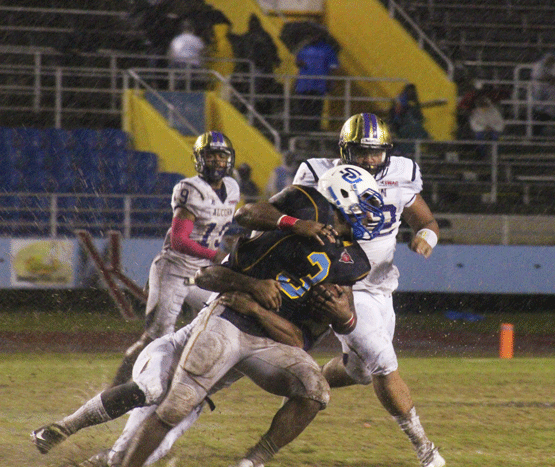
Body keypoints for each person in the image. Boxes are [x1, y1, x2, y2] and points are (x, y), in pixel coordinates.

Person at [45, 166, 383, 467]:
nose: (372, 216)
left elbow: (299, 340)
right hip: (204, 334)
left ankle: (254, 460)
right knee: (154, 391)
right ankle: (67, 426)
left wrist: (342, 318)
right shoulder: (288, 219)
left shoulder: (350, 266)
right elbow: (237, 231)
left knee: (315, 389)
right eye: (366, 204)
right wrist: (289, 231)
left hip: (251, 347)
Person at [287, 113, 445, 467]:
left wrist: (426, 237)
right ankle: (426, 450)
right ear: (344, 150)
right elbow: (294, 218)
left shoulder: (402, 172)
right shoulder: (318, 173)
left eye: (376, 153)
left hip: (381, 286)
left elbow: (426, 220)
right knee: (384, 363)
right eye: (361, 152)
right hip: (341, 286)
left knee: (360, 371)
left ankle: (306, 383)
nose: (369, 160)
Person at [109, 131, 239, 388]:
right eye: (210, 156)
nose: (216, 162)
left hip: (203, 273)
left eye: (221, 156)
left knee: (222, 322)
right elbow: (180, 240)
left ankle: (181, 386)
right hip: (175, 269)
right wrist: (218, 255)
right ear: (199, 159)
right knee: (156, 337)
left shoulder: (233, 188)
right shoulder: (190, 189)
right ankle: (114, 389)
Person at [227, 13, 282, 115]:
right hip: (265, 70)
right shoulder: (265, 36)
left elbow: (240, 44)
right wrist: (276, 61)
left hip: (251, 69)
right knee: (259, 92)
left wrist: (229, 34)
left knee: (250, 92)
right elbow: (273, 50)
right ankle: (260, 109)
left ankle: (247, 109)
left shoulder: (248, 36)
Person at [293, 33, 339, 132]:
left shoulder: (327, 50)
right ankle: (304, 131)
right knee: (303, 110)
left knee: (316, 110)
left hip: (318, 85)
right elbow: (297, 62)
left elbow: (332, 68)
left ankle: (313, 130)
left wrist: (330, 81)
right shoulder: (303, 49)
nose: (311, 37)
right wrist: (299, 63)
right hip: (303, 85)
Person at [388, 83, 430, 154]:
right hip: (401, 126)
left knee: (416, 131)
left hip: (408, 127)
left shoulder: (412, 104)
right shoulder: (401, 101)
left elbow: (419, 117)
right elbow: (396, 117)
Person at [167, 18, 207, 90]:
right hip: (193, 66)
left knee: (179, 79)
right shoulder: (196, 39)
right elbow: (202, 53)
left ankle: (176, 88)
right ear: (192, 29)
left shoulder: (176, 39)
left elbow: (171, 53)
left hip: (178, 64)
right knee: (193, 83)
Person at [530, 52, 555, 137]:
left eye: (552, 59)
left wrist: (549, 79)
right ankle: (536, 132)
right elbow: (538, 77)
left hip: (551, 92)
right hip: (539, 90)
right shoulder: (538, 65)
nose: (550, 61)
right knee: (538, 110)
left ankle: (541, 130)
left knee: (549, 110)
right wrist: (549, 79)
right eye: (548, 59)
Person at [469, 92, 505, 161]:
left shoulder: (494, 111)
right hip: (480, 130)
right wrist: (483, 128)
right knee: (479, 138)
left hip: (493, 129)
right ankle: (482, 156)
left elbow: (500, 123)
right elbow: (473, 123)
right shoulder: (476, 112)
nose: (483, 108)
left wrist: (492, 128)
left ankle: (496, 156)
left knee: (496, 138)